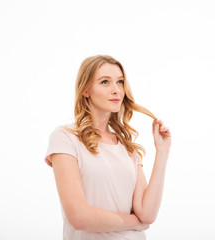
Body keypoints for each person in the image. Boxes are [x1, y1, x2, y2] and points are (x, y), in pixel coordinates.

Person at [44, 55, 171, 240]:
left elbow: (147, 214)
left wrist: (162, 151)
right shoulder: (65, 138)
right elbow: (79, 217)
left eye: (120, 82)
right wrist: (133, 223)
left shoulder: (127, 146)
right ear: (86, 90)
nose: (116, 90)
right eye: (105, 82)